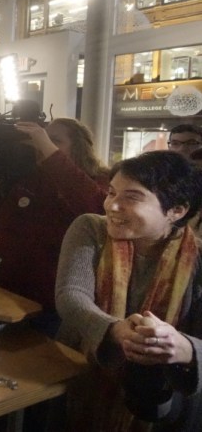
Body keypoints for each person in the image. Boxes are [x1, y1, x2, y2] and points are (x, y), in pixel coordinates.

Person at [54, 150, 202, 430]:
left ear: (177, 210)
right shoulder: (91, 228)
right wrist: (114, 331)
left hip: (166, 405)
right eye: (111, 193)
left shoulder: (197, 260)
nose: (112, 206)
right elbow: (71, 295)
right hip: (82, 376)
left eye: (131, 197)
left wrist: (182, 347)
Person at [0, 117, 109, 336]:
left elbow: (96, 208)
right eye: (42, 138)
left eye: (55, 140)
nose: (43, 145)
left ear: (80, 147)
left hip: (49, 304)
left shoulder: (95, 181)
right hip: (3, 295)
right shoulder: (29, 178)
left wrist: (45, 146)